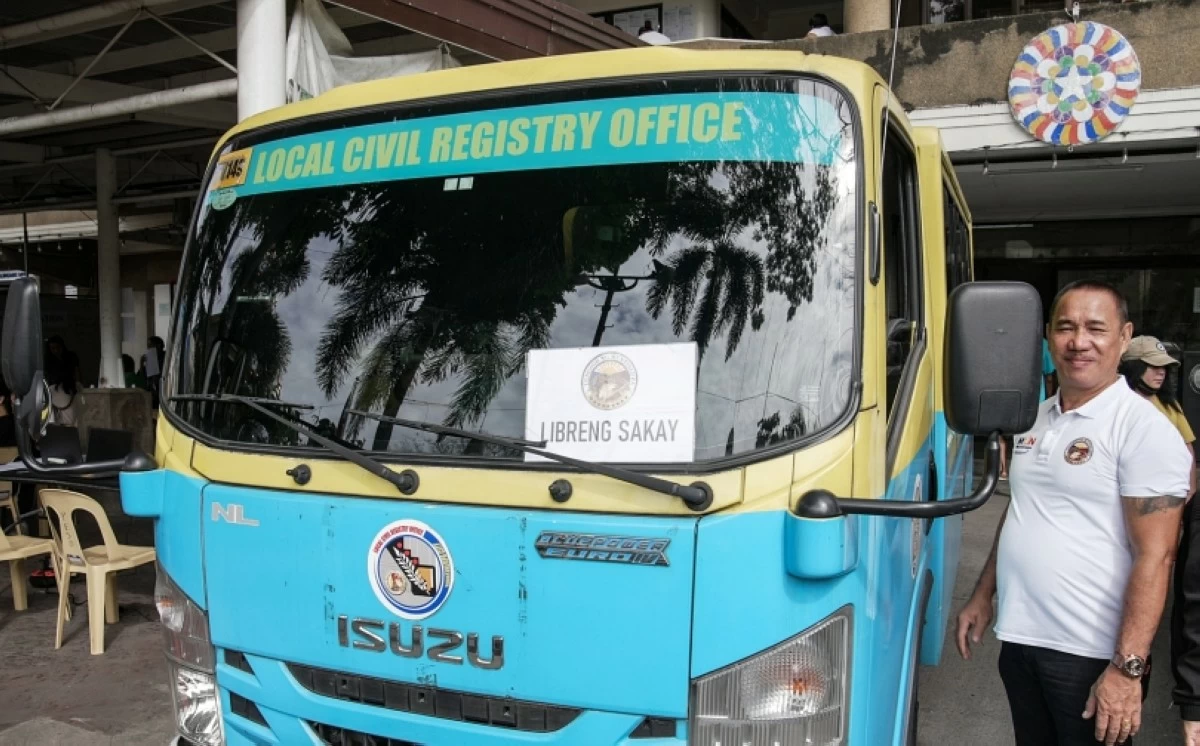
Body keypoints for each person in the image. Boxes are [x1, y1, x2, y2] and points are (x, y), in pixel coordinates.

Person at [956, 280, 1191, 746]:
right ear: (1048, 336)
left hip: (1092, 654)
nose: (1079, 341)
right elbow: (1023, 509)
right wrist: (983, 594)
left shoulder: (1142, 428)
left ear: (1124, 337)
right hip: (1021, 641)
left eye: (1095, 329)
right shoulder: (1032, 417)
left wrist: (1127, 669)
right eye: (1066, 327)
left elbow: (1158, 556)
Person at [1119, 335, 1195, 498]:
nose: (1161, 372)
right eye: (1154, 365)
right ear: (1134, 367)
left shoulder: (1170, 404)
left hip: (1169, 493)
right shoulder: (1116, 403)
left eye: (1165, 367)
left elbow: (1187, 447)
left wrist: (1190, 489)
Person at [44, 335, 81, 426]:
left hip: (70, 388)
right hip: (55, 390)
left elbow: (76, 371)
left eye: (58, 347)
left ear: (62, 346)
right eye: (53, 348)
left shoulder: (71, 357)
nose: (56, 350)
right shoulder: (49, 360)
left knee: (72, 417)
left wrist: (77, 383)